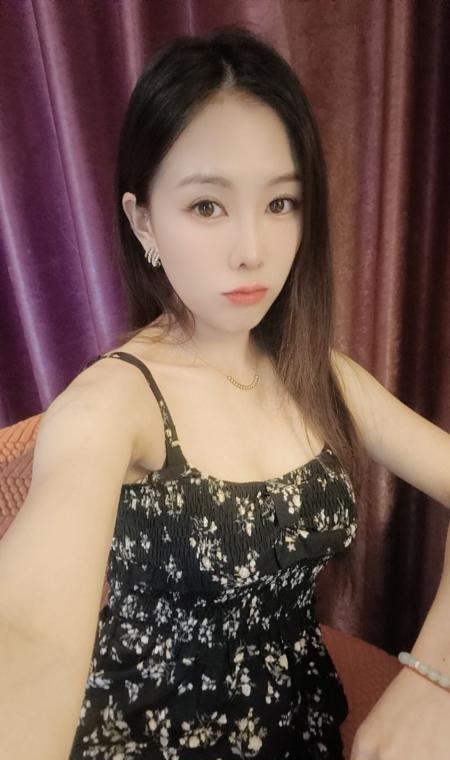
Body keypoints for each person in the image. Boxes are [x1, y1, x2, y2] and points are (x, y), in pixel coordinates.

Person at [1, 25, 449, 760]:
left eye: (281, 203)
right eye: (207, 206)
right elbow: (27, 638)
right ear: (143, 221)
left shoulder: (320, 375)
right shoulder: (111, 404)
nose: (252, 250)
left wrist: (432, 675)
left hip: (305, 726)